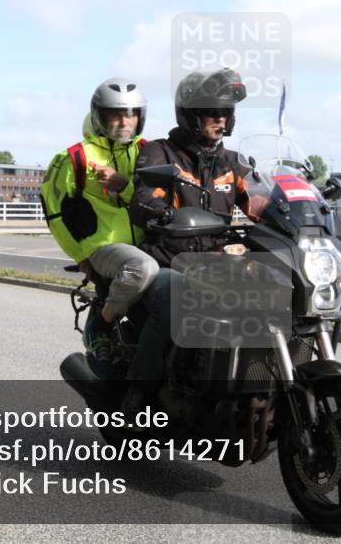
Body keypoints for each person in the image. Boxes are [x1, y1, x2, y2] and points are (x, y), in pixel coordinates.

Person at [124, 67, 260, 413]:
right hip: (170, 261)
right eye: (213, 112)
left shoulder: (233, 163)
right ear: (190, 115)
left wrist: (300, 213)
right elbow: (143, 198)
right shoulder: (161, 153)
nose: (222, 119)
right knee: (176, 298)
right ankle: (137, 396)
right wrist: (163, 213)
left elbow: (261, 201)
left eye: (226, 112)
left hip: (218, 264)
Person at [40, 78, 160, 375]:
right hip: (102, 246)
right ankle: (99, 326)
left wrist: (123, 185)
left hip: (146, 244)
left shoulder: (148, 152)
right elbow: (53, 212)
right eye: (115, 114)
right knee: (142, 269)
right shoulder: (74, 157)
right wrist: (81, 255)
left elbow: (153, 200)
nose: (124, 121)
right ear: (99, 115)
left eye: (131, 113)